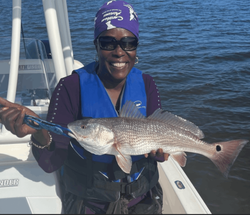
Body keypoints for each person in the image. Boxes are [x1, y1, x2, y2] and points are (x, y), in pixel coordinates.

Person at [0, 1, 169, 214]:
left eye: (128, 42)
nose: (119, 52)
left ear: (136, 47)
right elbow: (51, 162)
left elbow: (158, 142)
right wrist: (39, 131)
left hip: (144, 201)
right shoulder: (70, 87)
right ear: (96, 45)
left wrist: (159, 154)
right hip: (90, 204)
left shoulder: (147, 84)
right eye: (108, 42)